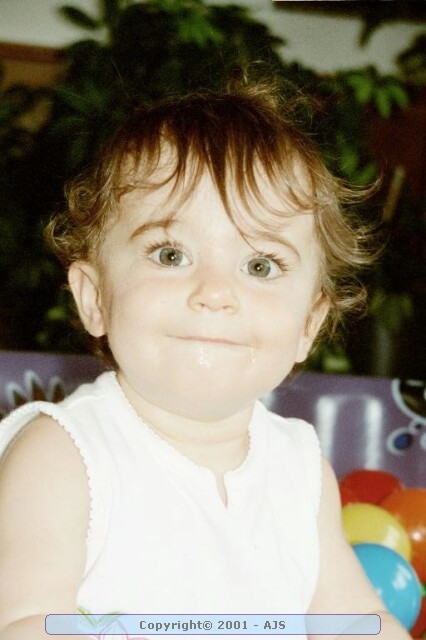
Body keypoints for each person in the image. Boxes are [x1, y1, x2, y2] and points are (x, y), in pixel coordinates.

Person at [0, 78, 410, 640]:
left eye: (261, 266)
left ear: (308, 326)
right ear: (95, 297)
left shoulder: (299, 469)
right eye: (171, 254)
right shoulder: (64, 456)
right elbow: (22, 623)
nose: (215, 292)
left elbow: (356, 623)